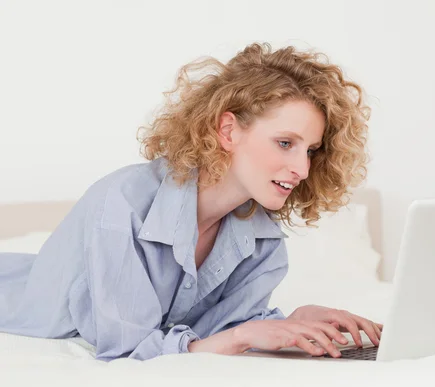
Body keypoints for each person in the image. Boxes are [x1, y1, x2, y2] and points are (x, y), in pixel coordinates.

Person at [0, 42, 382, 361]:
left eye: (311, 150)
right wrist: (241, 337)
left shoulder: (262, 241)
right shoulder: (120, 206)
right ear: (228, 130)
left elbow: (217, 331)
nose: (301, 167)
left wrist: (294, 320)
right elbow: (127, 349)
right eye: (285, 143)